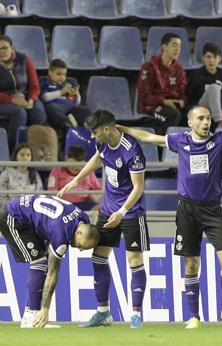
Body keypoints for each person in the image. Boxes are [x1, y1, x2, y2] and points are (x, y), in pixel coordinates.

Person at [117, 94, 222, 329]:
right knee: (191, 263)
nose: (206, 122)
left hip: (213, 209)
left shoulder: (220, 141)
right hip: (187, 210)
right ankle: (194, 316)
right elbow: (150, 137)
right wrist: (124, 129)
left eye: (208, 118)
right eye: (201, 118)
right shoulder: (180, 140)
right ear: (190, 123)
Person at [58, 109, 150, 329]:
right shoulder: (103, 143)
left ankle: (136, 315)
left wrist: (122, 212)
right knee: (98, 257)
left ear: (107, 129)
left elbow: (138, 188)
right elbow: (97, 159)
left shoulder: (132, 151)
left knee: (134, 261)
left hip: (130, 212)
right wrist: (76, 180)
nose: (92, 136)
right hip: (108, 210)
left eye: (94, 132)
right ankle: (102, 313)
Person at [0, 194, 100, 327]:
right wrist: (46, 309)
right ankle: (31, 318)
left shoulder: (83, 218)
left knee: (43, 262)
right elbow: (53, 274)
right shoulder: (62, 233)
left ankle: (32, 316)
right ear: (79, 233)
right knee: (40, 263)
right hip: (13, 216)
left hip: (29, 214)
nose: (80, 249)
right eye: (82, 245)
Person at [0, 35, 47, 148]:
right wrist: (12, 99)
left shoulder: (24, 59)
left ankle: (37, 149)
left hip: (25, 96)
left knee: (38, 113)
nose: (2, 52)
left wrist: (31, 99)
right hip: (4, 100)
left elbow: (35, 85)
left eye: (5, 48)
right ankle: (12, 150)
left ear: (12, 48)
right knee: (19, 113)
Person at [138, 33, 188, 135]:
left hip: (172, 105)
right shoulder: (149, 66)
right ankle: (163, 149)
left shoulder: (179, 69)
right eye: (174, 45)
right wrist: (164, 102)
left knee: (194, 114)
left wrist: (182, 100)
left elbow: (182, 92)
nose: (178, 49)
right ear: (164, 47)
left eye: (179, 46)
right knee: (174, 115)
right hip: (151, 107)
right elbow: (145, 96)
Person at [186, 42, 222, 129]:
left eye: (215, 57)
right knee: (214, 87)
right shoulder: (196, 75)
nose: (211, 60)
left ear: (219, 59)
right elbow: (190, 98)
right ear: (203, 58)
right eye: (208, 57)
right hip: (202, 107)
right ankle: (219, 122)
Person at [39, 58, 91, 136]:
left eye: (64, 75)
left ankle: (89, 131)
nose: (62, 77)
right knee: (50, 107)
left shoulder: (68, 83)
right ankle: (67, 124)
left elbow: (76, 103)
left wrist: (77, 95)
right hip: (56, 108)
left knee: (86, 110)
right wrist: (61, 92)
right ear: (50, 73)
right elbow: (44, 98)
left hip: (70, 107)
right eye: (58, 74)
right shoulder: (45, 83)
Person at [47, 145, 101, 212]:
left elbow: (100, 191)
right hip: (64, 205)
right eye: (73, 163)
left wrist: (95, 197)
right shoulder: (57, 170)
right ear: (66, 158)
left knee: (101, 207)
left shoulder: (88, 172)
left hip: (84, 205)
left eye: (78, 164)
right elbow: (51, 193)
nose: (75, 167)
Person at [0, 143, 43, 208]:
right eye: (22, 155)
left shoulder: (35, 175)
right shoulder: (6, 173)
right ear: (16, 157)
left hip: (30, 210)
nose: (25, 158)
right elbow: (2, 197)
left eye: (28, 155)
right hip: (11, 209)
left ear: (31, 158)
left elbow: (40, 194)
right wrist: (12, 207)